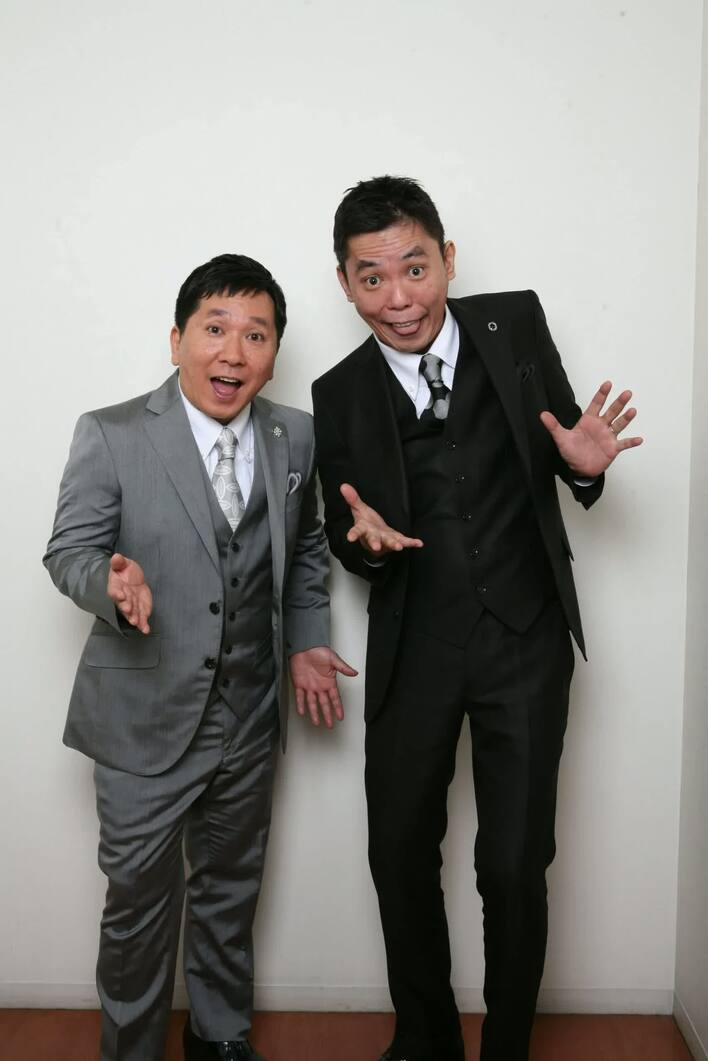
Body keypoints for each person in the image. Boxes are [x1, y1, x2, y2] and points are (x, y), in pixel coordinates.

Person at [311, 176, 642, 1061]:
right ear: (345, 284)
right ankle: (425, 1037)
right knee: (398, 851)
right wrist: (365, 546)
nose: (399, 297)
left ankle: (507, 1048)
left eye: (415, 268)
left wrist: (583, 467)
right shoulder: (337, 392)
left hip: (525, 640)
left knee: (514, 863)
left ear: (448, 260)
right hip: (415, 645)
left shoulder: (514, 323)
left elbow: (570, 444)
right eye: (372, 277)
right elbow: (344, 529)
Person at [44, 253, 355, 1061]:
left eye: (256, 334)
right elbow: (69, 551)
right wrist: (107, 582)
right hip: (143, 714)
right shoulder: (111, 433)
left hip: (249, 715)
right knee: (138, 906)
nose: (233, 352)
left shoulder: (296, 435)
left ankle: (220, 1036)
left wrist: (308, 639)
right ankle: (133, 1049)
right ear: (177, 338)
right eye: (215, 329)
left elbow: (307, 546)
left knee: (230, 890)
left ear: (274, 352)